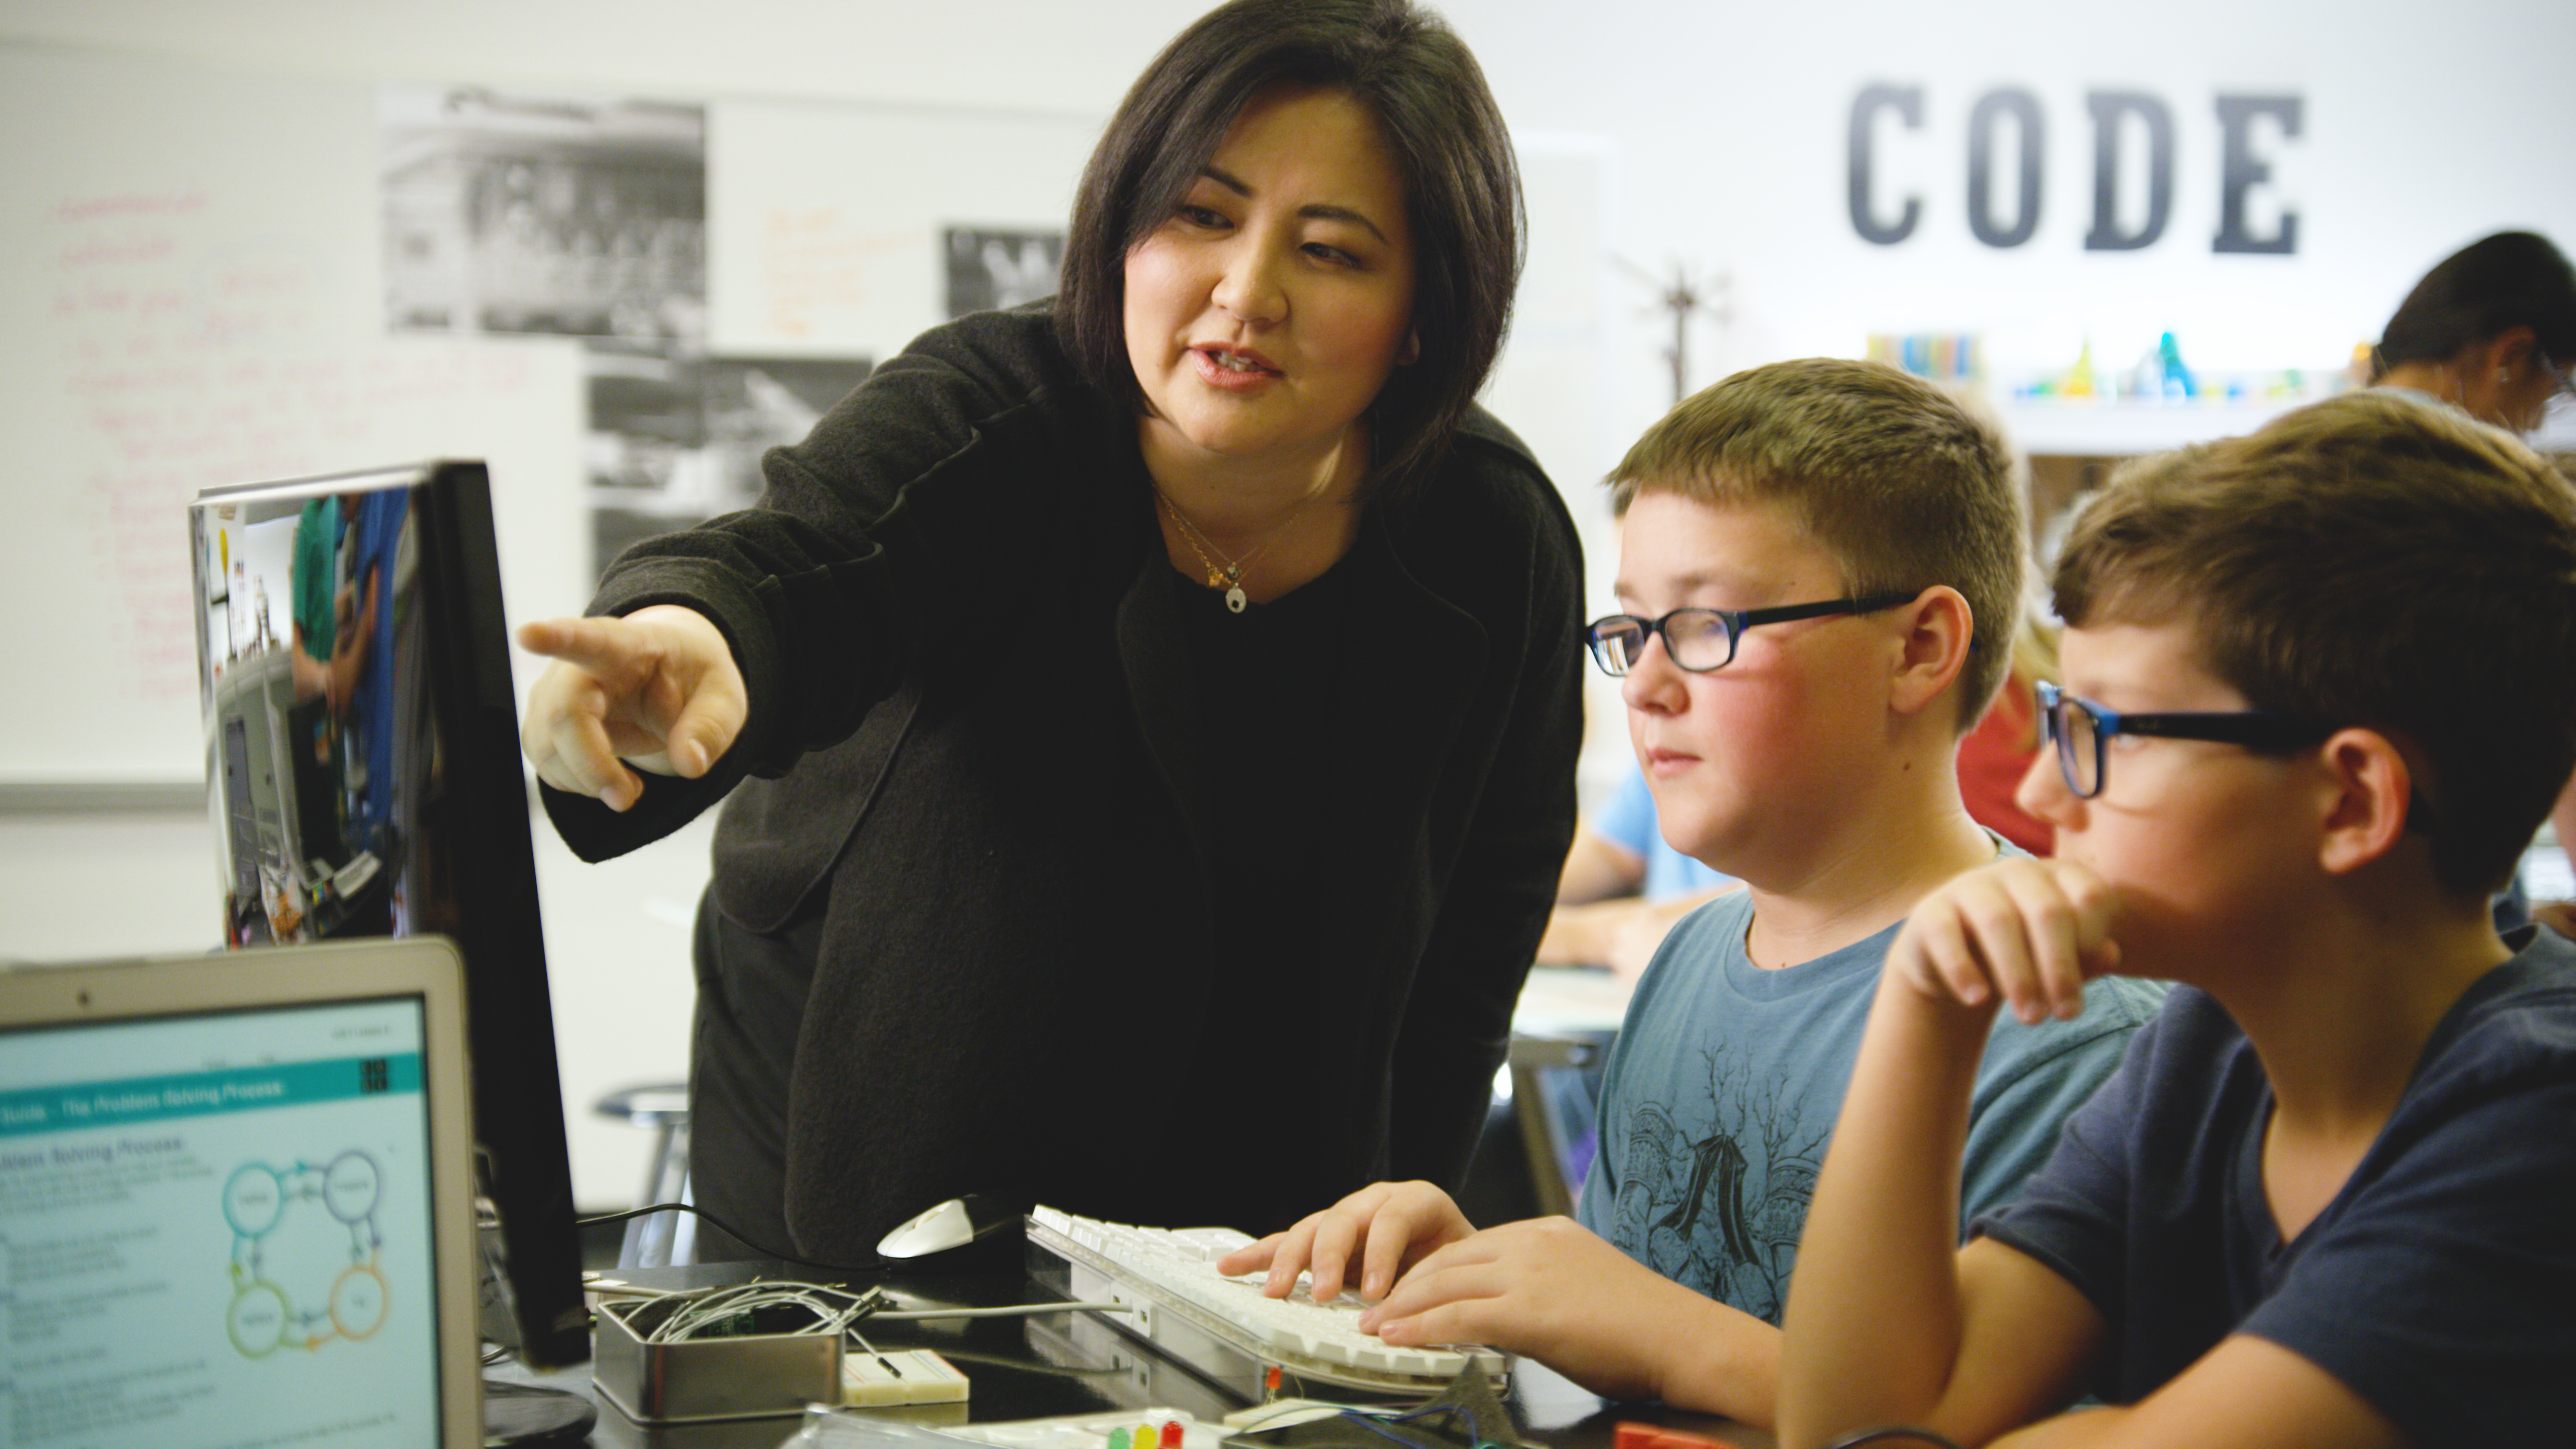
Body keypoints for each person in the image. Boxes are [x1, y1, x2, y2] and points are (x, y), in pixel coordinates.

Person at [516, 0, 1582, 1265]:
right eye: (1201, 215)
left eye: (1334, 251)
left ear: (1425, 312)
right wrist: (690, 634)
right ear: (1126, 229)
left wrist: (1391, 1222)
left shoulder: (1489, 534)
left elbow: (1478, 932)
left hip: (1264, 1169)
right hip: (883, 1097)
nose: (1247, 292)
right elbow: (805, 561)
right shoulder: (995, 409)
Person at [1221, 360, 2162, 1428]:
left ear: (1921, 648)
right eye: (1632, 631)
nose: (1651, 688)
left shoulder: (2073, 1035)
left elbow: (1973, 1429)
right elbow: (1626, 1345)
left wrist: (1654, 1331)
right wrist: (1495, 1280)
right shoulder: (1693, 961)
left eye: (1708, 627)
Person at [1778, 392, 2576, 1449]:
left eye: (2107, 734)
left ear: (2351, 803)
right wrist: (1928, 1004)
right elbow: (1858, 1423)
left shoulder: (2536, 1120)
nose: (2052, 799)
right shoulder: (2207, 1050)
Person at [1538, 759, 1736, 980]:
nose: (1658, 722)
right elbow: (1609, 855)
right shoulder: (1666, 758)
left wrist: (1570, 936)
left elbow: (1755, 912)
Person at [2371, 230, 2576, 439]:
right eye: (2553, 392)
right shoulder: (2441, 461)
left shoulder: (2345, 432)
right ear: (2512, 355)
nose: (2536, 425)